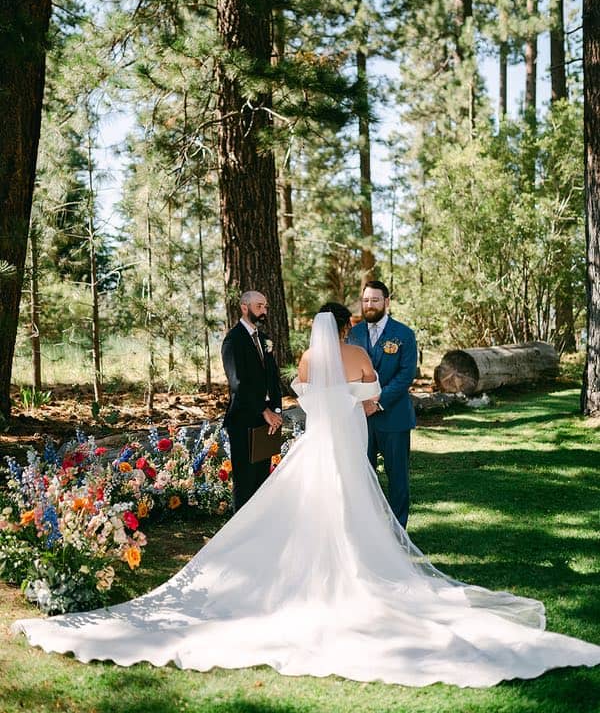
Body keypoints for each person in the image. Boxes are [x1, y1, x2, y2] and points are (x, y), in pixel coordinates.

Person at [12, 307, 600, 687]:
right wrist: (360, 402)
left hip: (316, 440)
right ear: (346, 329)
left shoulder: (306, 359)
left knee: (303, 504)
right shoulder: (357, 355)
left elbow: (302, 397)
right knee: (355, 500)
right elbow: (369, 402)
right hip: (348, 442)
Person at [347, 281, 417, 528]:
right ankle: (370, 528)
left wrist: (378, 402)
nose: (369, 305)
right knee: (363, 476)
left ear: (387, 302)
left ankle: (398, 530)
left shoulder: (404, 334)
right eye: (366, 300)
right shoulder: (353, 334)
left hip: (393, 416)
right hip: (359, 418)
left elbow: (405, 375)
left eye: (375, 300)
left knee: (397, 477)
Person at [221, 290, 283, 512]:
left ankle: (258, 532)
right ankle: (240, 537)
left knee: (262, 481)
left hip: (267, 421)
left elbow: (272, 379)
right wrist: (263, 410)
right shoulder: (232, 340)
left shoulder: (264, 339)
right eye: (259, 306)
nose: (264, 311)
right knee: (245, 483)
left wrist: (275, 410)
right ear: (244, 307)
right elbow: (238, 383)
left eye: (265, 306)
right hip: (244, 421)